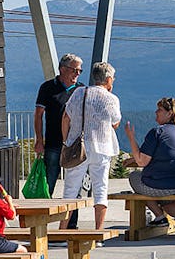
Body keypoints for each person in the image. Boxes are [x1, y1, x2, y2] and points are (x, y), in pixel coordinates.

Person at [59, 62, 121, 232]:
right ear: (108, 79)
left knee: (70, 190)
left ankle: (62, 232)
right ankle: (98, 231)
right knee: (101, 189)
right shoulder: (111, 99)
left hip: (78, 147)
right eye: (112, 79)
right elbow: (115, 123)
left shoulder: (79, 92)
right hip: (102, 148)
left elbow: (66, 117)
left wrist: (66, 141)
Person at [123, 97, 175, 237]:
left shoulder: (157, 132)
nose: (156, 112)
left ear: (169, 114)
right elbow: (164, 153)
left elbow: (142, 162)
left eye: (160, 110)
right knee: (165, 196)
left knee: (135, 177)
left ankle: (160, 217)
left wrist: (131, 137)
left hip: (160, 185)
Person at [33, 53, 84, 227]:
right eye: (74, 69)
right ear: (62, 69)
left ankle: (71, 225)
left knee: (74, 186)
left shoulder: (81, 90)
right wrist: (39, 140)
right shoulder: (47, 87)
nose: (77, 73)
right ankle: (41, 225)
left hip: (74, 146)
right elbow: (38, 115)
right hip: (53, 143)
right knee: (49, 183)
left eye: (80, 70)